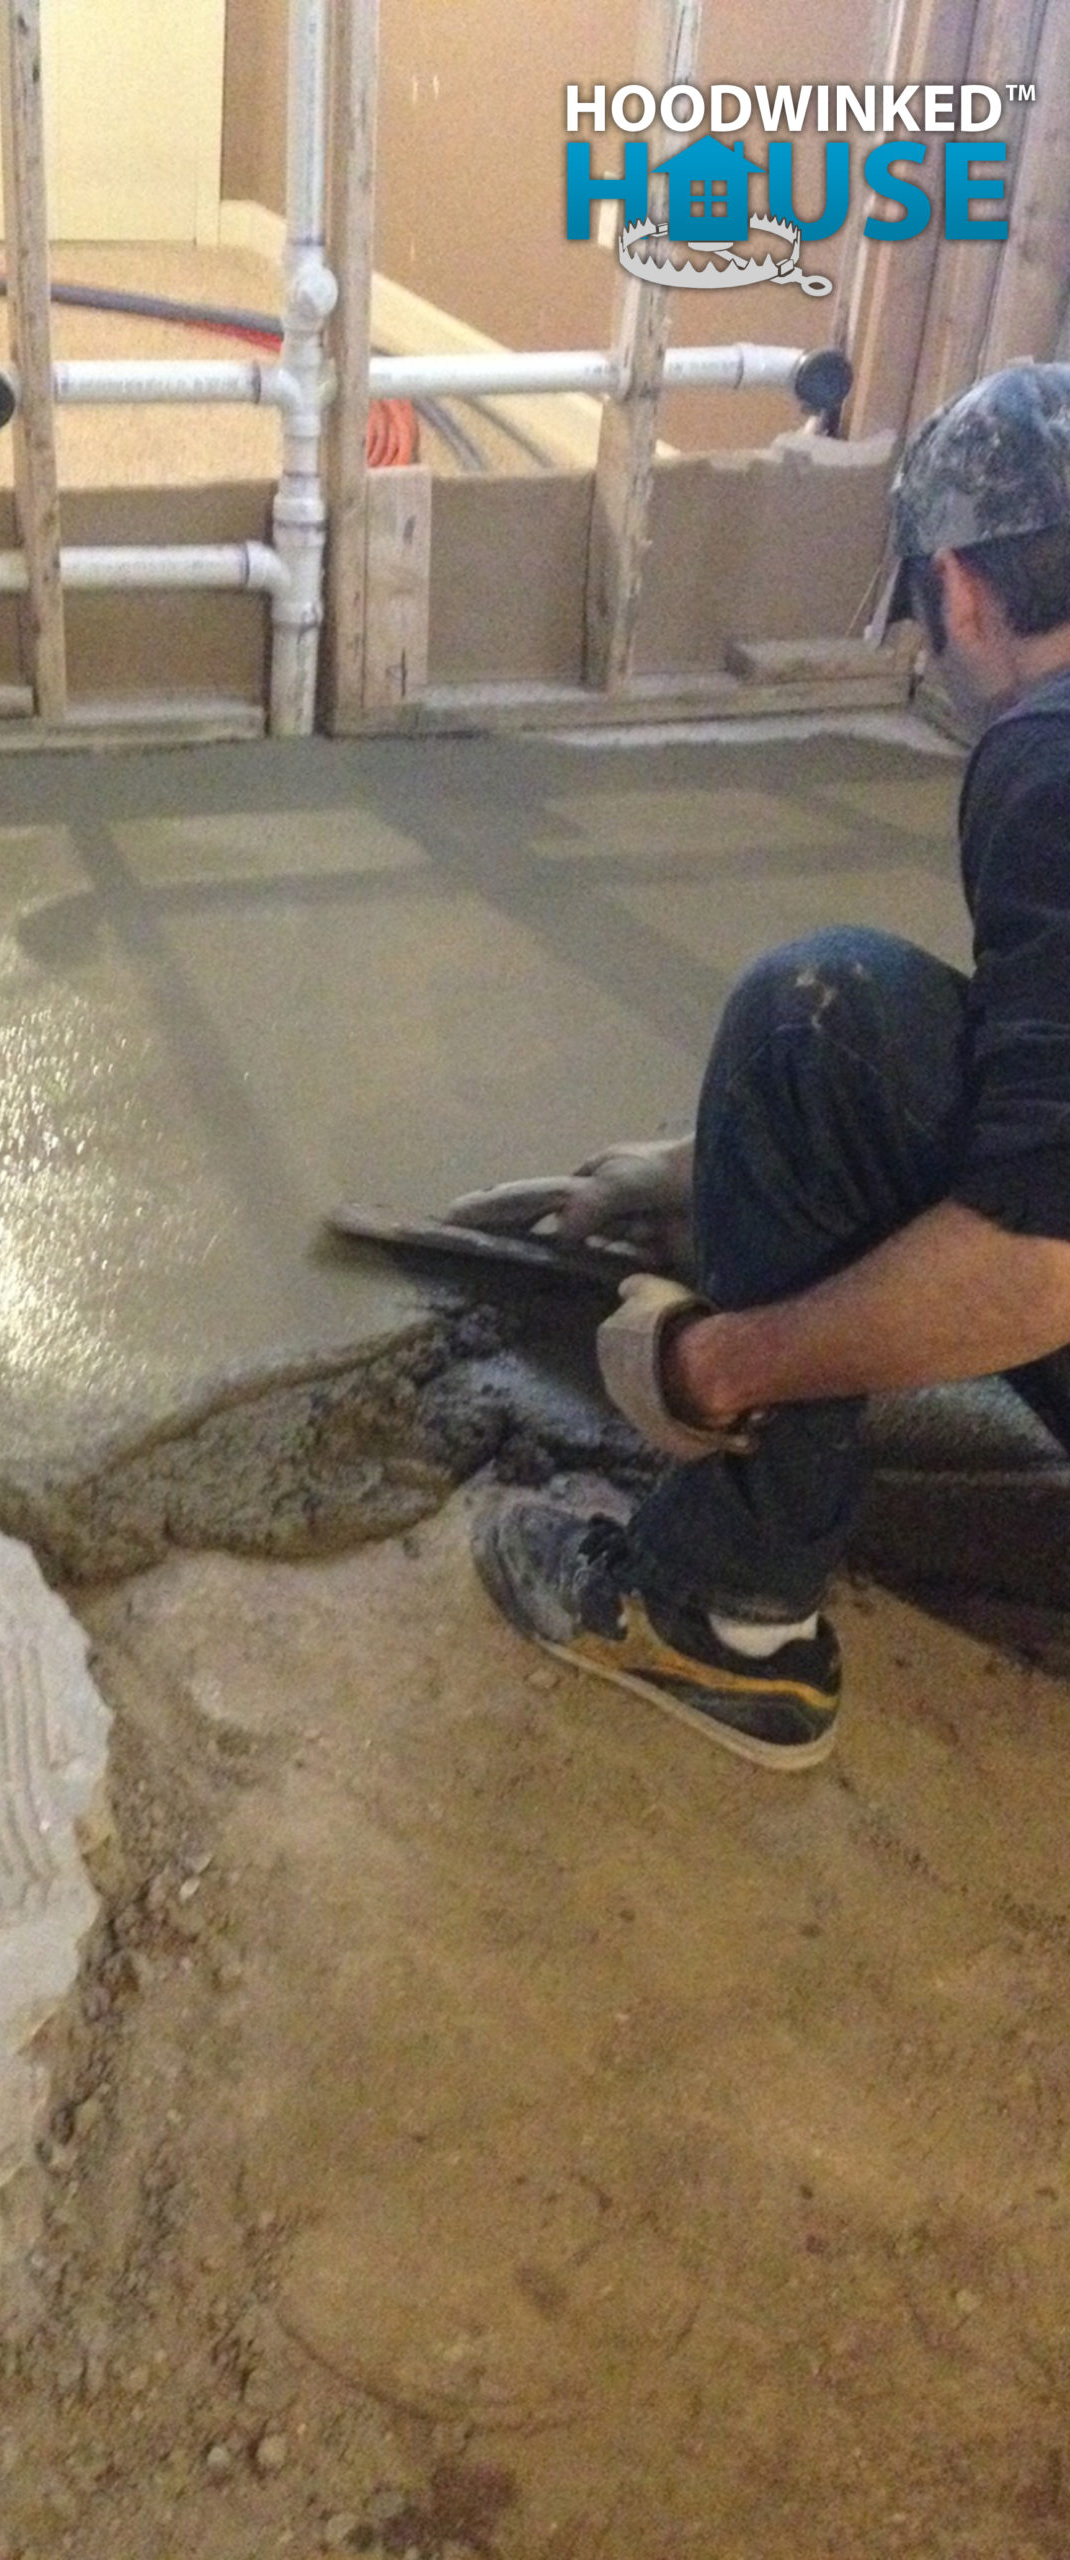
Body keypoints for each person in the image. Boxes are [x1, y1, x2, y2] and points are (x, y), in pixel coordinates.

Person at [458, 361, 1070, 1773]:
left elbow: (1042, 1264)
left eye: (924, 604)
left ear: (961, 589)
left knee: (814, 1013)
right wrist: (714, 1165)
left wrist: (716, 1360)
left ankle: (726, 1617)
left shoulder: (1046, 764)